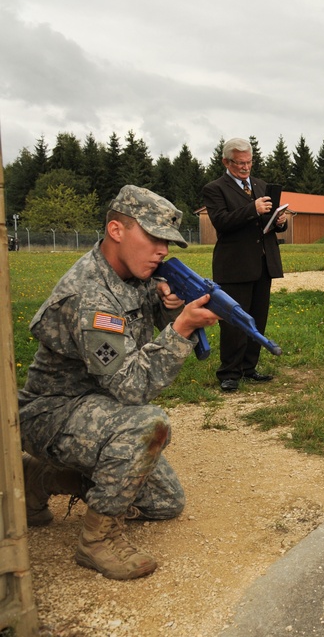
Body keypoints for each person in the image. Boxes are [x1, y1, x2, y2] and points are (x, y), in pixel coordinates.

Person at [18, 185, 220, 580]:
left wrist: (164, 308)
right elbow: (131, 387)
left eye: (168, 241)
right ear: (116, 230)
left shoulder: (133, 276)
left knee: (166, 502)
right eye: (154, 238)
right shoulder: (90, 295)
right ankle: (97, 541)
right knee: (148, 425)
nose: (163, 250)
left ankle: (40, 478)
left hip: (99, 404)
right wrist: (181, 329)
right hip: (53, 411)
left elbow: (135, 340)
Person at [202, 138, 287, 392]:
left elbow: (266, 223)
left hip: (263, 263)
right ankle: (229, 373)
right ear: (226, 162)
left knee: (257, 320)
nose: (246, 167)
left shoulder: (261, 185)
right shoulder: (215, 188)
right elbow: (222, 222)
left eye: (249, 162)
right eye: (240, 163)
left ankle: (249, 368)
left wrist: (279, 221)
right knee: (234, 322)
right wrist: (253, 208)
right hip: (234, 266)